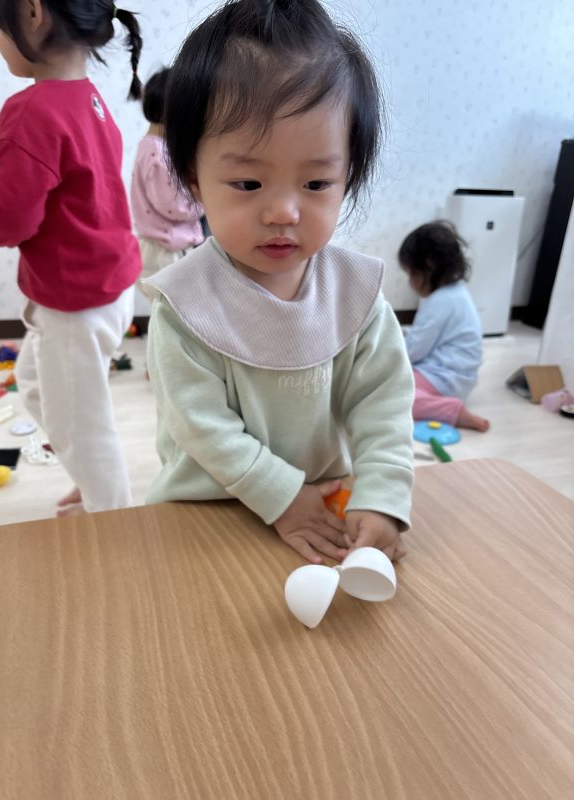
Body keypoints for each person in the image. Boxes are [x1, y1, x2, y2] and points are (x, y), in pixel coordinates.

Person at [146, 0, 415, 565]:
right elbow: (201, 425)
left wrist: (384, 495)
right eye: (248, 183)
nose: (284, 212)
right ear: (194, 177)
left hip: (323, 511)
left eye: (317, 183)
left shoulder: (355, 293)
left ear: (348, 176)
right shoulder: (186, 302)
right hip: (204, 517)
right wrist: (282, 497)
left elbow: (383, 402)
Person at [0, 0, 143, 515]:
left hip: (76, 302)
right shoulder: (87, 98)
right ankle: (91, 481)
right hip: (105, 286)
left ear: (32, 13)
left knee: (82, 426)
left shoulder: (31, 110)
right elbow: (63, 190)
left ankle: (111, 515)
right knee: (34, 384)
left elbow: (8, 222)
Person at [398, 220, 490, 431]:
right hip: (459, 378)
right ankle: (442, 403)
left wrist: (394, 346)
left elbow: (412, 353)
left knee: (393, 394)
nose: (410, 283)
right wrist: (408, 334)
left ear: (428, 267)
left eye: (411, 274)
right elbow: (433, 336)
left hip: (444, 378)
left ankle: (452, 411)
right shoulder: (457, 293)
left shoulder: (439, 301)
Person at [131, 68, 205, 302]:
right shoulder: (158, 154)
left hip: (162, 247)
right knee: (175, 308)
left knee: (170, 308)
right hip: (165, 251)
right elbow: (174, 206)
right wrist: (206, 201)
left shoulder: (153, 147)